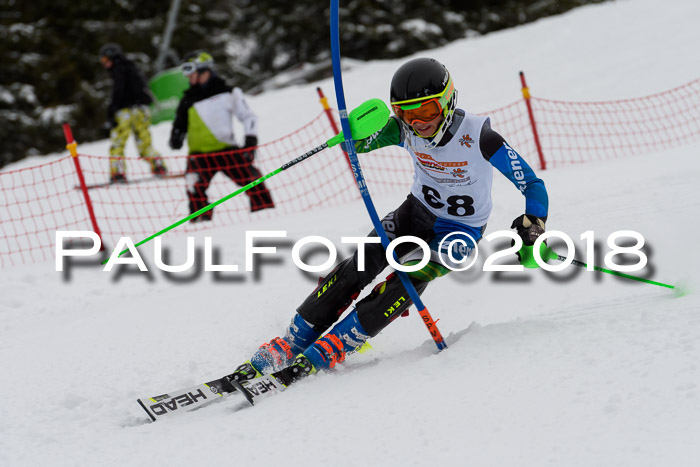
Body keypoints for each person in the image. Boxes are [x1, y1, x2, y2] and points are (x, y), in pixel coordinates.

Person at [229, 57, 550, 384]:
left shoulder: (480, 136)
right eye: (406, 112)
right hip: (415, 211)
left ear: (448, 101)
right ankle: (293, 339)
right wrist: (354, 133)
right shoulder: (405, 130)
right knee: (361, 262)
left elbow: (532, 184)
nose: (418, 122)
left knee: (408, 278)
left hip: (461, 231)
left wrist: (534, 223)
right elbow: (363, 144)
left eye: (427, 111)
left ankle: (337, 344)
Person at [168, 51, 274, 222]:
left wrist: (250, 141)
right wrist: (176, 136)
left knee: (252, 180)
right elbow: (179, 124)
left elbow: (248, 117)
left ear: (204, 70)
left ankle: (267, 213)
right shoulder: (188, 99)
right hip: (199, 155)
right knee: (193, 187)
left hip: (226, 150)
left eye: (190, 71)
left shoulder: (228, 92)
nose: (188, 77)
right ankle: (200, 223)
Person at [99, 43, 167, 183]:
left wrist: (112, 110)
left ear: (113, 56)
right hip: (141, 110)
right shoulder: (133, 68)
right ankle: (158, 165)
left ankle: (117, 173)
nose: (104, 64)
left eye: (105, 60)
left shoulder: (118, 69)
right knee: (144, 143)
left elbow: (119, 90)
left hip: (125, 112)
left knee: (117, 144)